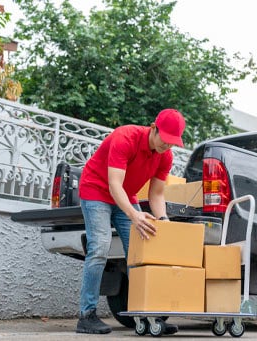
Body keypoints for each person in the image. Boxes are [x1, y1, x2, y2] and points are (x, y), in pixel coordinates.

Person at [75, 109, 186, 334]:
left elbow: (156, 194)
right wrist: (134, 216)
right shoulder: (124, 137)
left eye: (173, 143)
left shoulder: (166, 156)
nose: (167, 146)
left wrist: (163, 220)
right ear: (154, 128)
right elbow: (114, 184)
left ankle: (148, 315)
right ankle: (86, 316)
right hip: (96, 190)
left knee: (141, 253)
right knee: (99, 248)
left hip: (126, 196)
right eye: (165, 140)